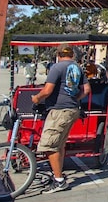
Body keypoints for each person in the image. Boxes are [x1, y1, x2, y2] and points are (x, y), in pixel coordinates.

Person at [31, 44, 90, 194]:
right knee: (59, 145)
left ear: (58, 55)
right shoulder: (77, 68)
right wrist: (74, 99)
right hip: (72, 109)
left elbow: (47, 90)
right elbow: (86, 90)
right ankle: (58, 175)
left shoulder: (56, 68)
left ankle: (59, 181)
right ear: (72, 54)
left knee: (49, 145)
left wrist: (37, 98)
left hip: (59, 110)